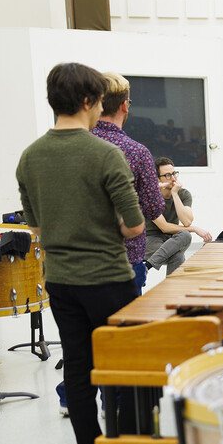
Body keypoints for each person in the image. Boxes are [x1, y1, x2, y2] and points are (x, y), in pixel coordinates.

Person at [16, 63, 145, 444]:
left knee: (78, 367)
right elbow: (134, 226)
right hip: (108, 278)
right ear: (89, 102)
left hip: (61, 281)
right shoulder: (105, 154)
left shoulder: (30, 156)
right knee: (124, 370)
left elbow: (34, 225)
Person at [90, 72, 164, 294]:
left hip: (79, 263)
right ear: (125, 105)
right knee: (124, 328)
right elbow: (154, 209)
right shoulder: (136, 152)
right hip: (124, 259)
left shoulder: (74, 146)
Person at [144, 157, 214, 274]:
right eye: (167, 175)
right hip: (151, 239)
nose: (173, 178)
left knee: (185, 235)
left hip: (173, 238)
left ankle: (147, 267)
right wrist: (195, 229)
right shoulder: (150, 196)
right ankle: (172, 290)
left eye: (174, 174)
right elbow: (164, 227)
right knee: (177, 255)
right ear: (157, 179)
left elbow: (186, 221)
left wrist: (175, 194)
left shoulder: (183, 194)